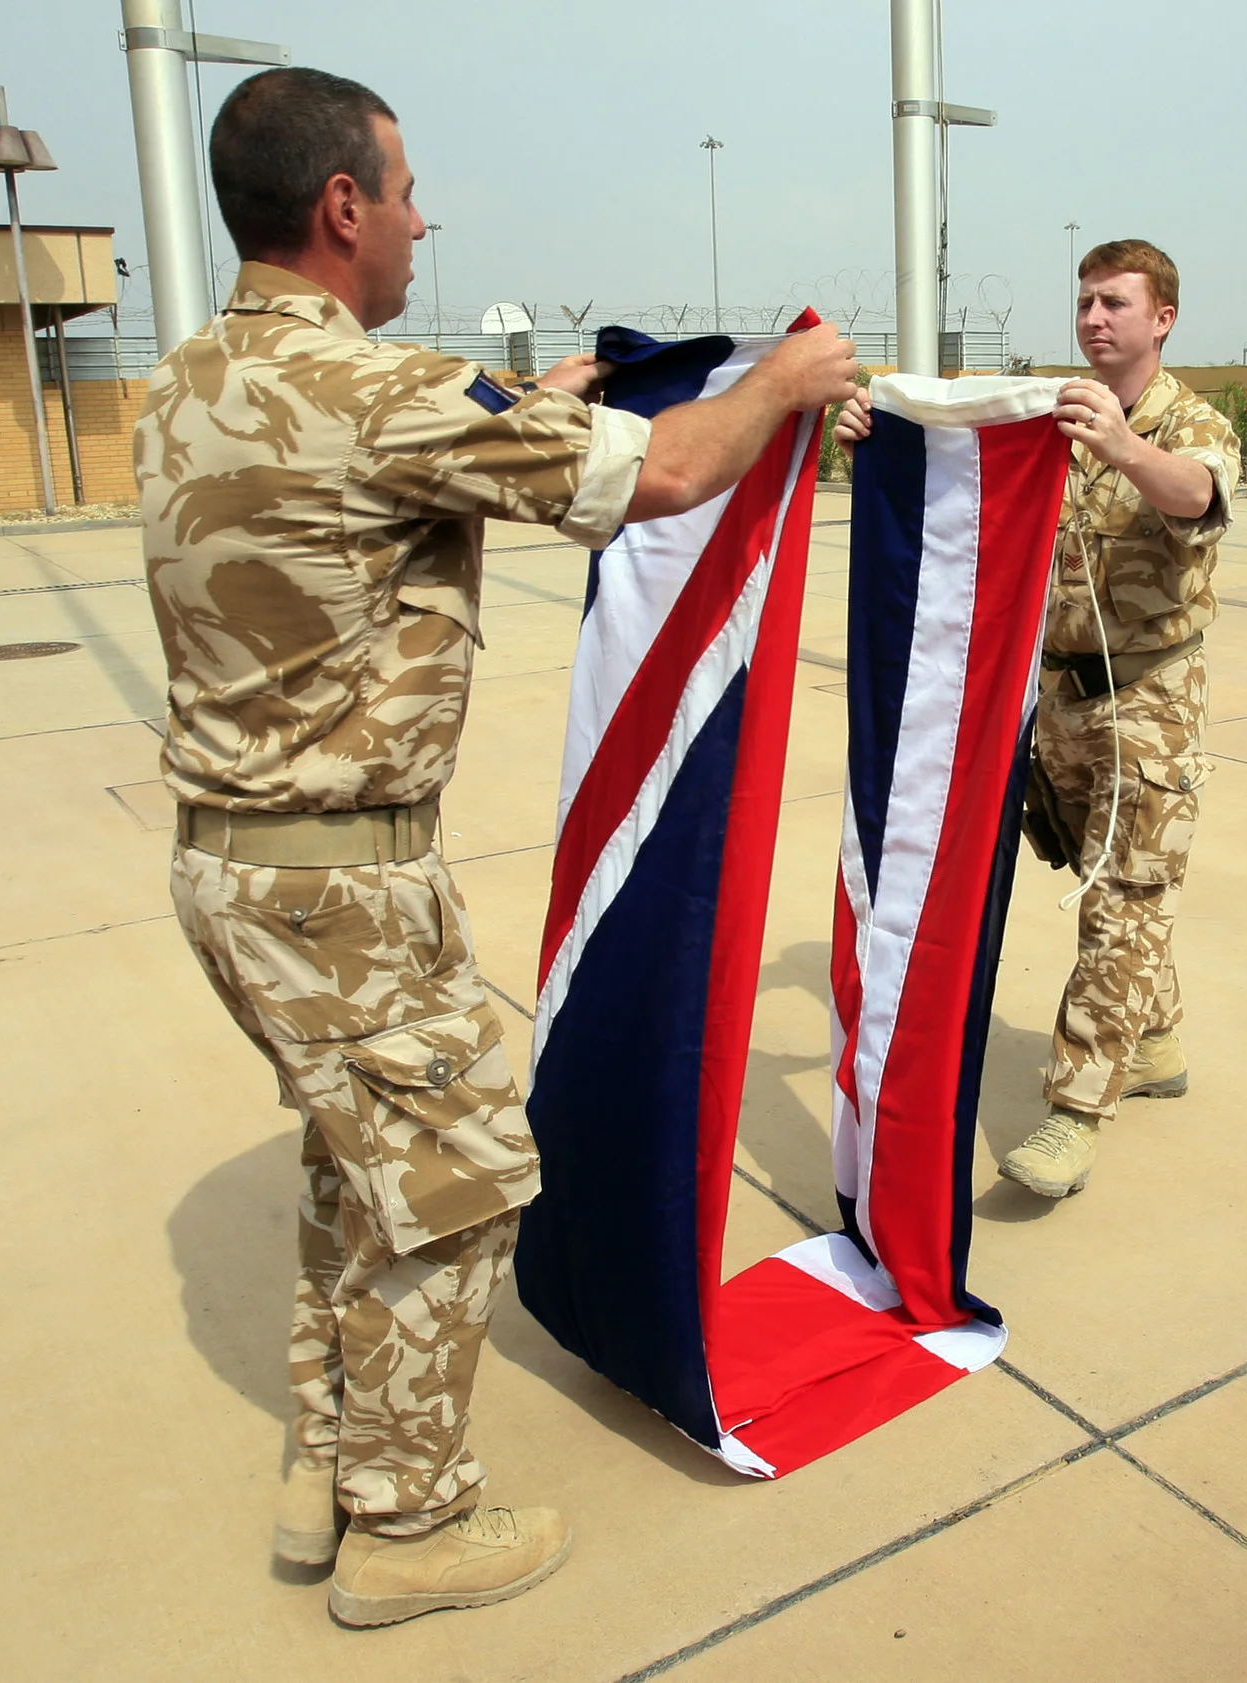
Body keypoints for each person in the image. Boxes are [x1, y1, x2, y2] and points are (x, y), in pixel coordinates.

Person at [136, 67, 857, 1627]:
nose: (418, 225)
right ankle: (407, 1522)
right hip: (341, 881)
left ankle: (330, 1448)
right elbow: (668, 474)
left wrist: (552, 396)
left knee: (359, 1157)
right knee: (462, 1176)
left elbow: (428, 445)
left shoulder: (191, 378)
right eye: (406, 197)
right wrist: (789, 383)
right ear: (343, 208)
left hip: (235, 866)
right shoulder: (385, 395)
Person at [834, 238, 1236, 1200]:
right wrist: (875, 440)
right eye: (1087, 301)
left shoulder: (1189, 420)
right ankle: (1158, 1039)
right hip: (1053, 699)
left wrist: (1126, 448)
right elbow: (962, 492)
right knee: (1117, 876)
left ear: (1162, 319)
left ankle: (1075, 1109)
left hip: (1149, 702)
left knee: (1125, 895)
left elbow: (1202, 494)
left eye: (1117, 304)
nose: (1095, 319)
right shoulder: (1047, 416)